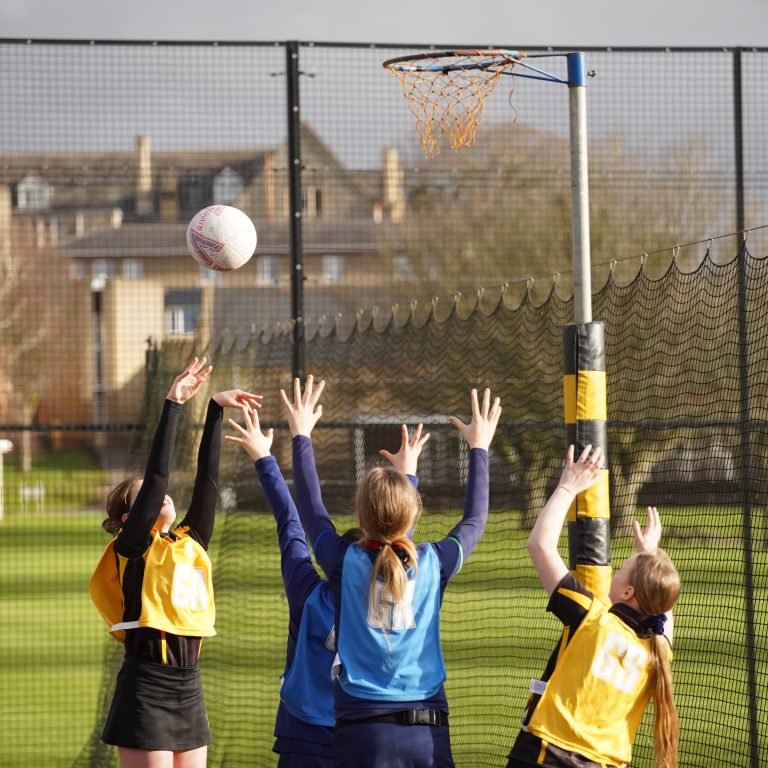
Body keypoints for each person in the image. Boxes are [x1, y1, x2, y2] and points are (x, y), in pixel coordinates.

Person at [281, 375, 501, 768]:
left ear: (361, 515)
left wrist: (301, 435)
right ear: (414, 511)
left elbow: (312, 510)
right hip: (427, 733)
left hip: (362, 734)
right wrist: (478, 447)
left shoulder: (342, 561)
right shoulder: (434, 561)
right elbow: (475, 520)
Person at [224, 397, 425, 767]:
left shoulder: (308, 594)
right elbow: (394, 544)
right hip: (368, 732)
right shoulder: (389, 594)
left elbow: (291, 523)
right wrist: (406, 478)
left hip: (304, 734)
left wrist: (265, 458)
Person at [89, 357, 261, 768]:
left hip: (189, 685)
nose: (160, 494)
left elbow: (207, 480)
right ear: (130, 517)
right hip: (146, 684)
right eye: (143, 494)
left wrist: (215, 411)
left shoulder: (190, 540)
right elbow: (159, 477)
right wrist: (174, 404)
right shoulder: (132, 547)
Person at [506, 444, 681, 768]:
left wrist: (567, 486)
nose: (615, 572)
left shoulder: (590, 616)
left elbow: (539, 545)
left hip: (546, 754)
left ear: (627, 591)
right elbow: (664, 610)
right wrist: (650, 555)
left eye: (621, 569)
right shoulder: (656, 651)